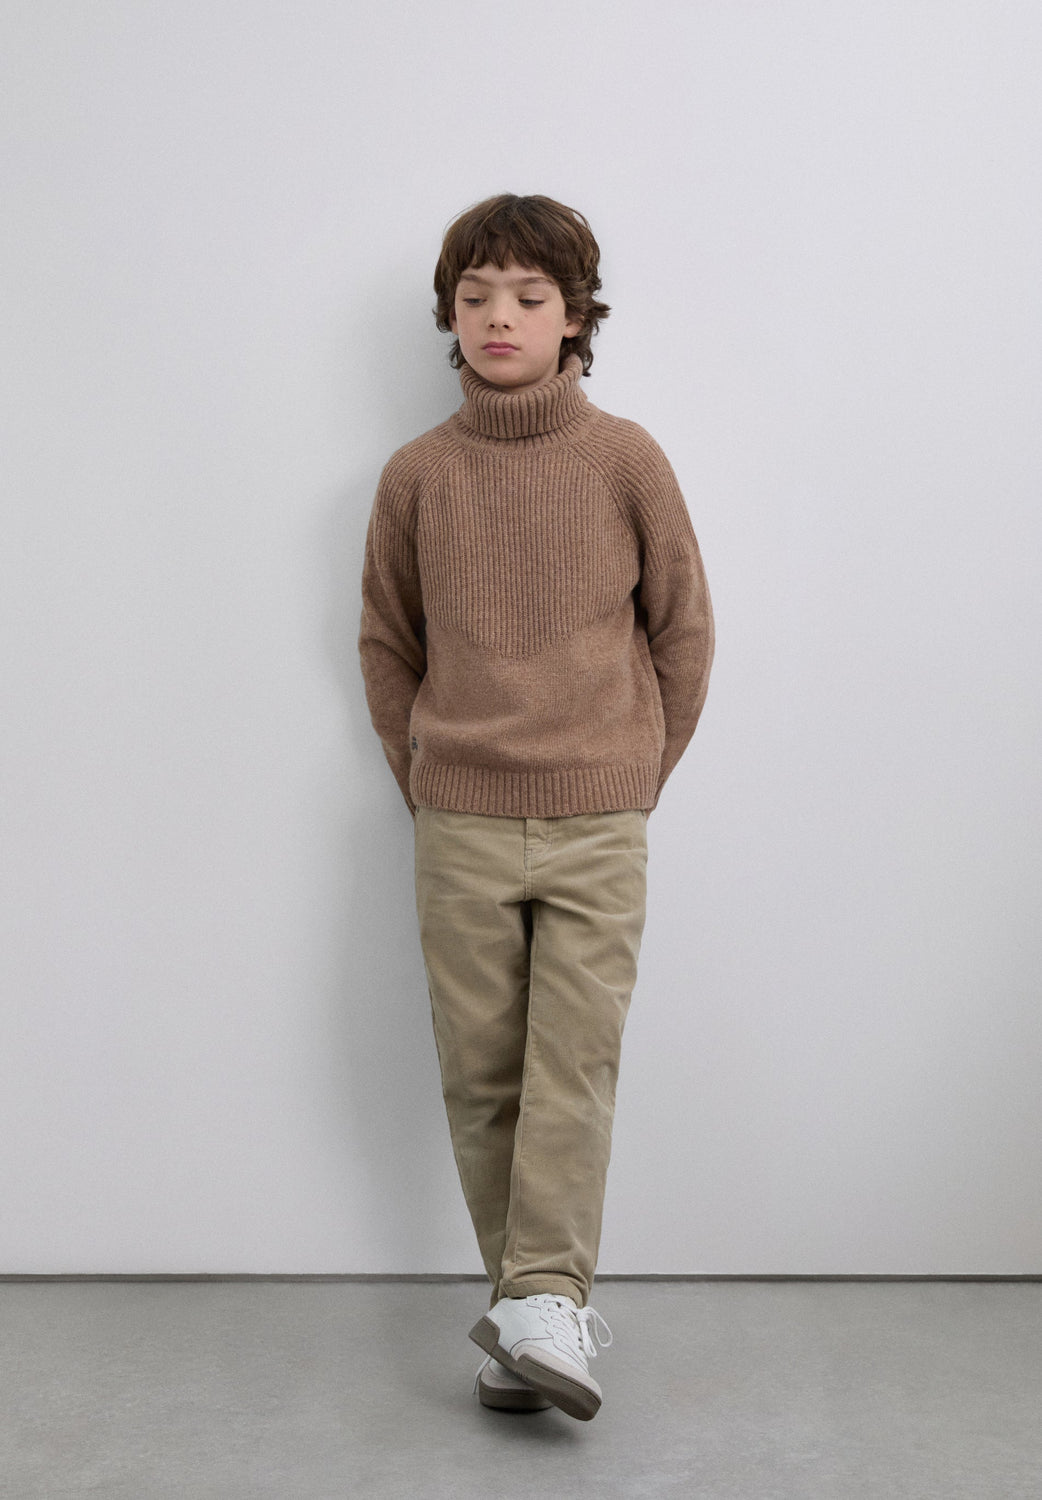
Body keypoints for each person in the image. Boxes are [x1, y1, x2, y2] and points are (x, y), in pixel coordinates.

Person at [359, 193, 714, 1421]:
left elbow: (682, 630)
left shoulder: (626, 461)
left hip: (598, 823)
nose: (498, 317)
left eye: (526, 296)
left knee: (573, 1065)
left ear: (575, 319)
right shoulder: (416, 476)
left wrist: (631, 776)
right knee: (482, 1077)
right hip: (458, 821)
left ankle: (543, 1300)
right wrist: (427, 782)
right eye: (475, 298)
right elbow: (386, 643)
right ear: (450, 318)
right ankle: (528, 1316)